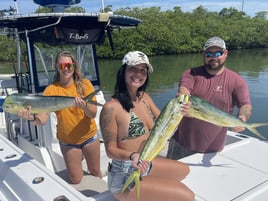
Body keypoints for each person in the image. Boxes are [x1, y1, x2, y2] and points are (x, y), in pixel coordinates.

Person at [100, 51, 195, 201]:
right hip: (125, 175)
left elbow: (165, 122)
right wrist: (133, 156)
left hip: (146, 162)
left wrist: (183, 112)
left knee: (185, 170)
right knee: (188, 197)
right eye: (133, 68)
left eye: (143, 70)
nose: (138, 74)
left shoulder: (144, 98)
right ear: (122, 71)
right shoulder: (111, 108)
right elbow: (110, 150)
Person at [18, 50, 102, 184]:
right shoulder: (51, 90)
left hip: (89, 137)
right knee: (75, 179)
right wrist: (31, 118)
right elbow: (43, 120)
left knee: (96, 172)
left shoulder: (85, 84)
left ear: (74, 66)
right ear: (57, 67)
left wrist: (84, 106)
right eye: (62, 66)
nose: (66, 69)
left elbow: (93, 113)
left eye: (69, 65)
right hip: (68, 141)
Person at [167, 36, 252, 160]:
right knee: (170, 178)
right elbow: (184, 91)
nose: (213, 57)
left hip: (213, 150)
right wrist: (184, 100)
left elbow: (245, 105)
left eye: (218, 53)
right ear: (203, 54)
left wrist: (242, 118)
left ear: (226, 54)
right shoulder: (191, 73)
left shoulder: (237, 81)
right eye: (208, 53)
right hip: (181, 144)